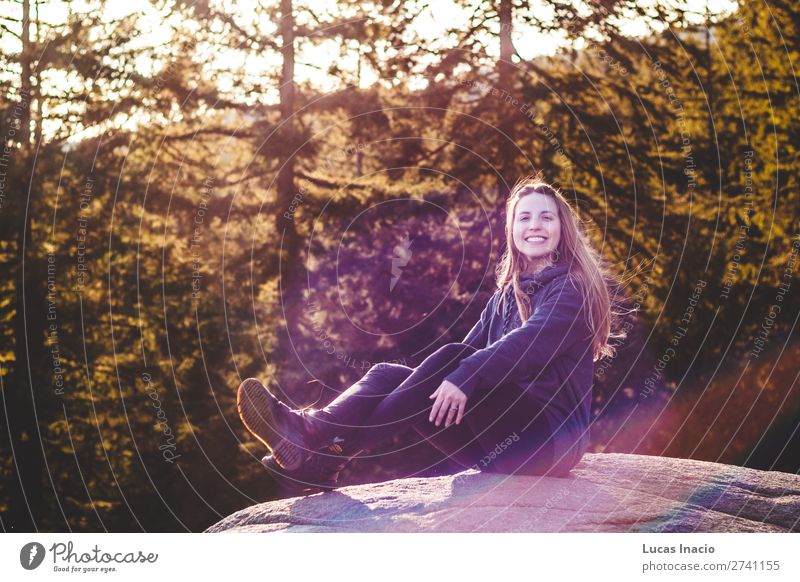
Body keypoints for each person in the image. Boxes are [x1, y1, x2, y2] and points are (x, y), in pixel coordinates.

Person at [237, 176, 622, 494]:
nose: (534, 225)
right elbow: (454, 363)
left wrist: (465, 374)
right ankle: (320, 445)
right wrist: (457, 375)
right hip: (494, 447)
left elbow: (527, 345)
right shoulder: (508, 294)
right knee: (390, 374)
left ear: (562, 228)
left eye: (545, 218)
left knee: (456, 361)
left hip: (548, 443)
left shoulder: (572, 289)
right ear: (512, 229)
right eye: (524, 218)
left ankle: (321, 444)